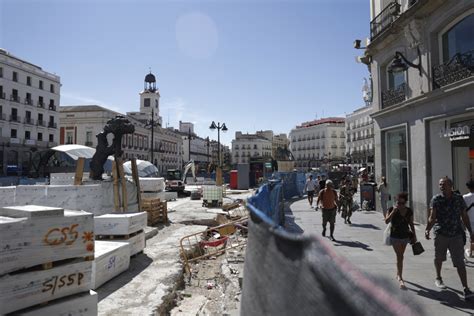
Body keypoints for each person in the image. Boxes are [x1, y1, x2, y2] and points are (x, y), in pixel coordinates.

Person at [425, 177, 474, 300]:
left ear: (451, 186)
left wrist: (470, 231)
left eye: (444, 184)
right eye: (440, 184)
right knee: (439, 258)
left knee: (460, 262)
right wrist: (427, 228)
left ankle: (465, 288)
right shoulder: (436, 199)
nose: (441, 186)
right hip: (441, 233)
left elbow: (464, 216)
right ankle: (438, 277)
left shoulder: (458, 199)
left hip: (456, 234)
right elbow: (432, 217)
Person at [385, 192, 415, 289]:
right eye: (398, 203)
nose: (400, 205)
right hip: (395, 236)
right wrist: (393, 212)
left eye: (402, 203)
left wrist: (414, 235)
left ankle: (398, 273)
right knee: (400, 256)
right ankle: (401, 278)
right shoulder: (391, 209)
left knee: (401, 257)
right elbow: (386, 221)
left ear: (405, 203)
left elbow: (411, 223)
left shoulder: (409, 211)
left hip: (405, 236)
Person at [463, 180, 474, 257]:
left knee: (472, 235)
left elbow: (463, 210)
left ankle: (470, 252)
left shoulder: (465, 197)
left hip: (469, 219)